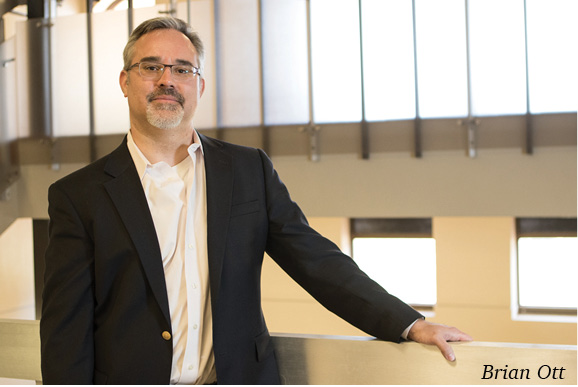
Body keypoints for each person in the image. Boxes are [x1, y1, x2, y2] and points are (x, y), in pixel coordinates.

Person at [40, 16, 472, 385]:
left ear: (200, 85)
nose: (167, 80)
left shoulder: (248, 172)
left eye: (183, 69)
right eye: (151, 66)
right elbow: (65, 332)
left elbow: (317, 261)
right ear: (125, 81)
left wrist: (409, 323)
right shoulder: (79, 196)